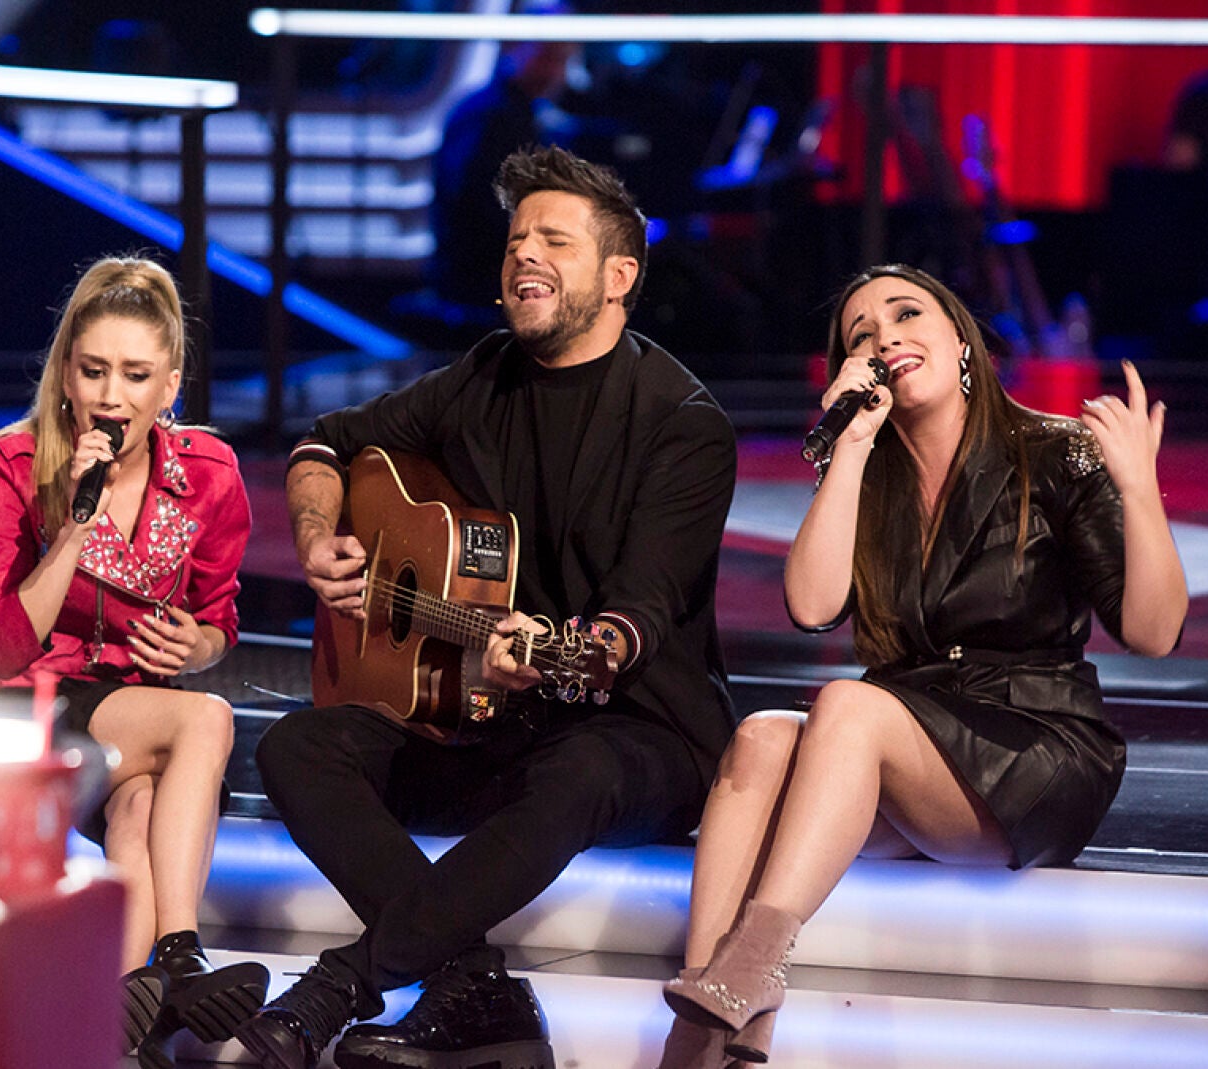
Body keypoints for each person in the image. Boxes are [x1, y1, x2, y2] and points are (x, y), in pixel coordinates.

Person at [233, 146, 739, 1069]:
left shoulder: (682, 422)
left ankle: (344, 982)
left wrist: (567, 648)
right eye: (514, 240)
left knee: (579, 768)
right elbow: (326, 443)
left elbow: (641, 612)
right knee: (295, 745)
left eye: (554, 239)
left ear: (620, 275)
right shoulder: (482, 375)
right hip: (484, 715)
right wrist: (316, 538)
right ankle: (478, 987)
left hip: (634, 726)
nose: (523, 257)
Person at [657, 264, 1188, 1067]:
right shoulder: (865, 468)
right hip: (904, 745)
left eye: (907, 314)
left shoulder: (1054, 452)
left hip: (1036, 746)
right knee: (765, 736)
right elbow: (810, 604)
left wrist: (1140, 493)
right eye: (861, 335)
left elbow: (1152, 631)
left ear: (960, 342)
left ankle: (756, 960)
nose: (885, 338)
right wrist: (853, 443)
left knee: (848, 704)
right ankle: (704, 1028)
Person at [0, 256, 268, 1069]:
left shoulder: (209, 476)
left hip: (139, 721)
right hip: (39, 705)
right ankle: (183, 953)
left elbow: (221, 613)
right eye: (92, 371)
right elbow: (1, 647)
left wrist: (203, 644)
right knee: (209, 715)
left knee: (141, 806)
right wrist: (74, 523)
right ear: (65, 375)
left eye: (134, 375)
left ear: (171, 386)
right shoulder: (12, 468)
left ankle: (133, 1007)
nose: (110, 396)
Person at [428, 9, 578, 310]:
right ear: (513, 48)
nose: (557, 72)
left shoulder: (521, 115)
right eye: (549, 56)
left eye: (563, 59)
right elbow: (483, 206)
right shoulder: (490, 117)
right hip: (479, 280)